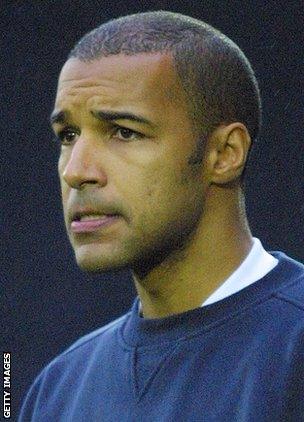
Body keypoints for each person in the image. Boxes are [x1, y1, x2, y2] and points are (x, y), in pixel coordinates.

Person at [19, 10, 304, 421]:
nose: (75, 170)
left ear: (224, 154)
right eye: (68, 136)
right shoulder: (56, 390)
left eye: (123, 131)